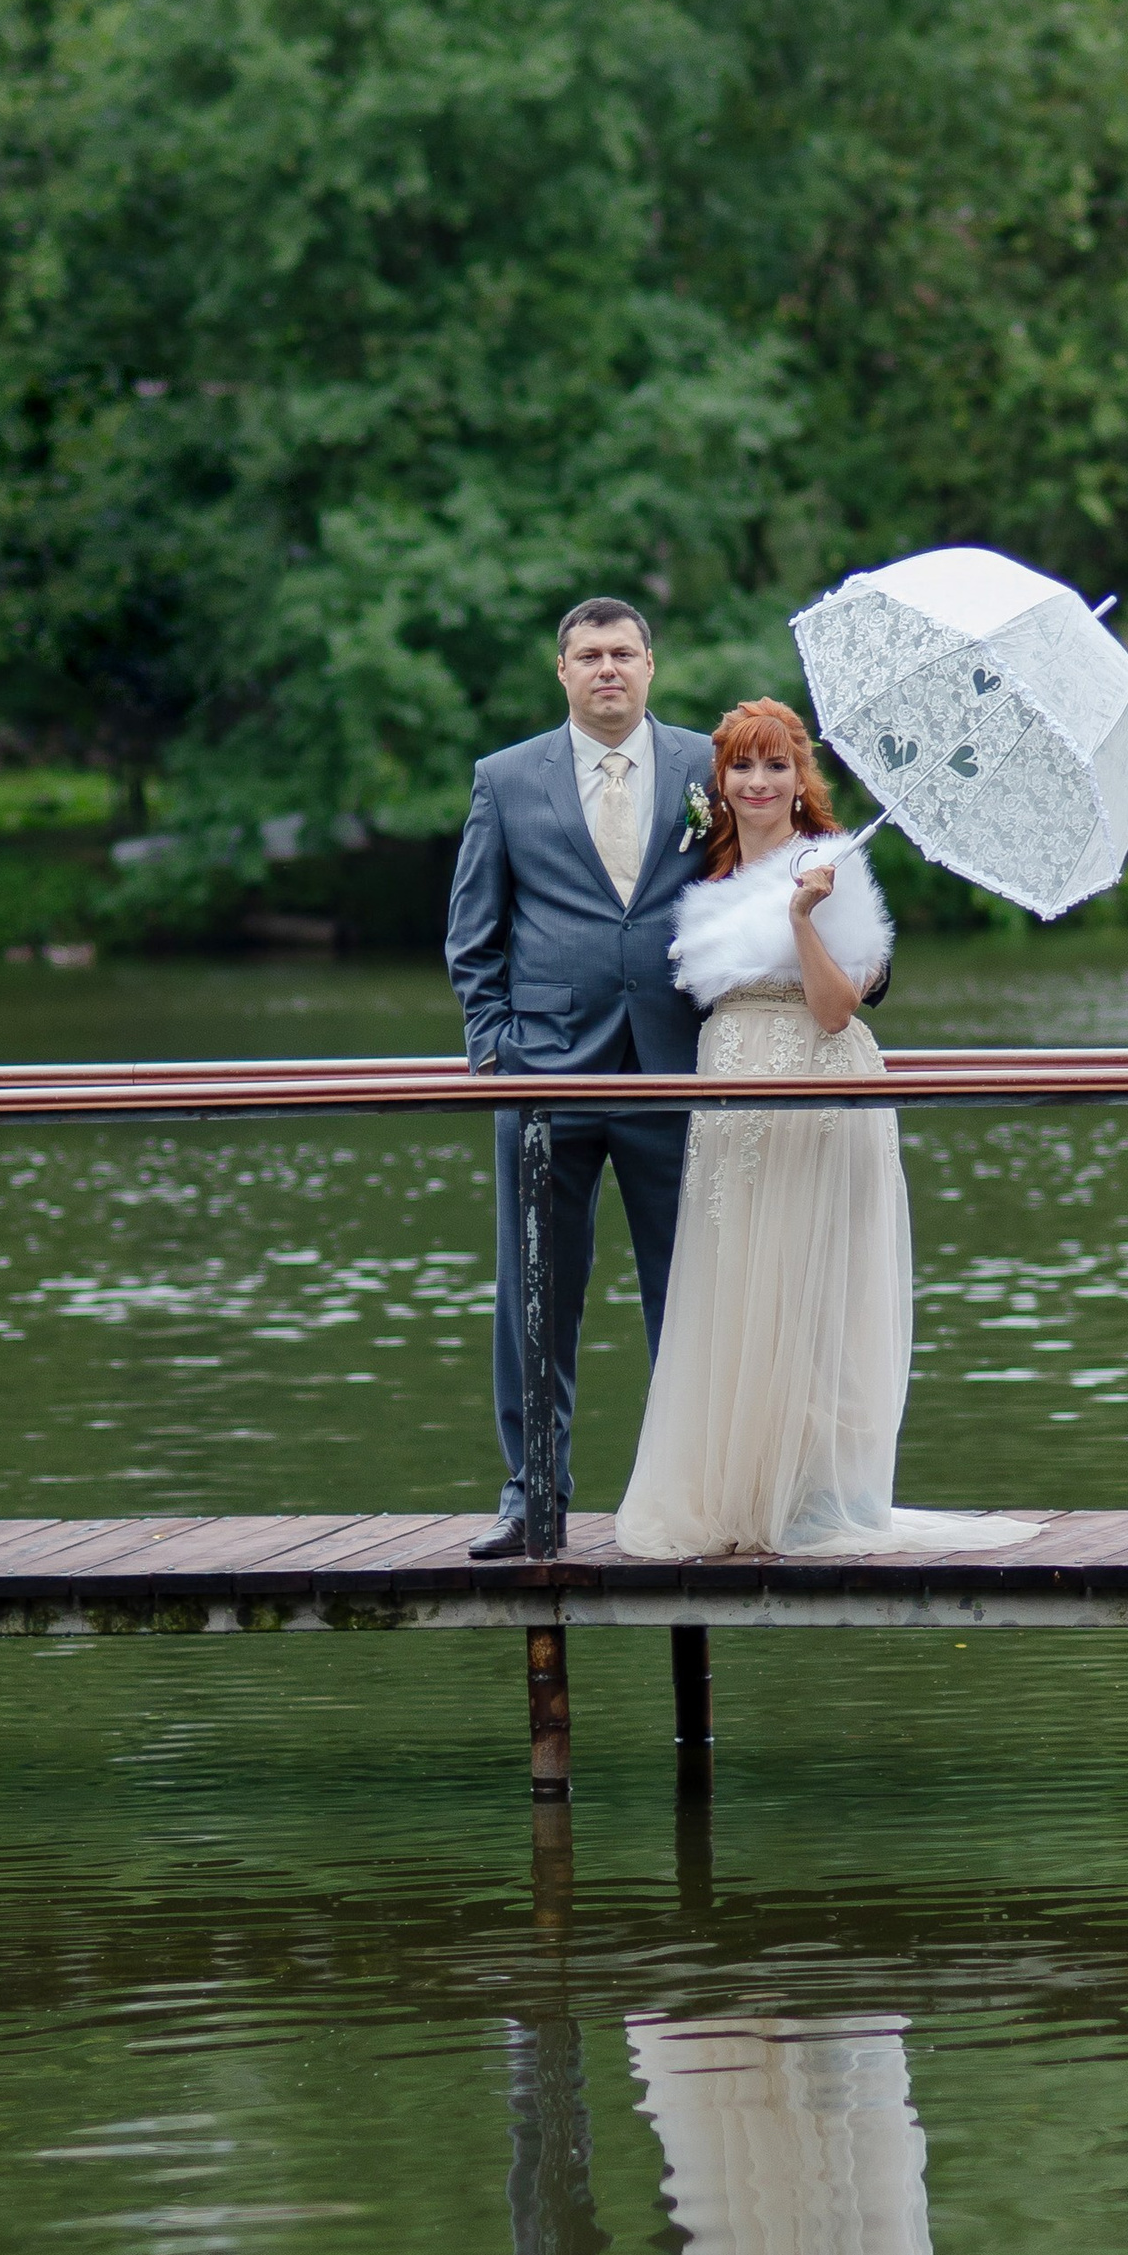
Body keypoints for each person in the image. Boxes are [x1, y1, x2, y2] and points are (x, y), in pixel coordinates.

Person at [616, 699, 1029, 1561]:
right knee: (742, 1279)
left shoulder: (830, 869)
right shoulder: (712, 879)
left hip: (812, 1073)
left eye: (776, 767)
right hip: (731, 1080)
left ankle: (812, 1496)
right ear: (719, 783)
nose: (759, 783)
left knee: (808, 1280)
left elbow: (838, 1010)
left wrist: (802, 918)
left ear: (802, 779)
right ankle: (740, 1492)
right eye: (742, 767)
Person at [446, 600, 715, 1559]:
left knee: (686, 1294)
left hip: (673, 1070)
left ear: (653, 666)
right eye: (589, 655)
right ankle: (533, 1498)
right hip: (543, 1077)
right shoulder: (506, 778)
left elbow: (744, 892)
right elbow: (473, 936)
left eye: (624, 654)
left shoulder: (706, 769)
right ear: (561, 671)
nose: (609, 669)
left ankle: (692, 1493)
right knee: (534, 1296)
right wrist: (493, 1053)